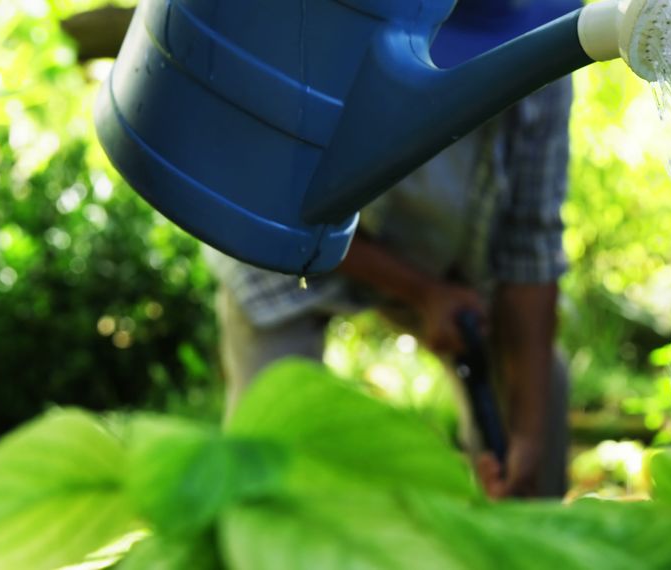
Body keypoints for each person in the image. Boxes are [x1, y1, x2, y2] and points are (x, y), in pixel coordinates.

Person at [205, 0, 578, 499]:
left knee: (538, 394)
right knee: (269, 452)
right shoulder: (319, 23)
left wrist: (528, 440)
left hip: (445, 262)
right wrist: (423, 294)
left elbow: (531, 247)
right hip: (285, 247)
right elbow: (270, 193)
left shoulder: (543, 49)